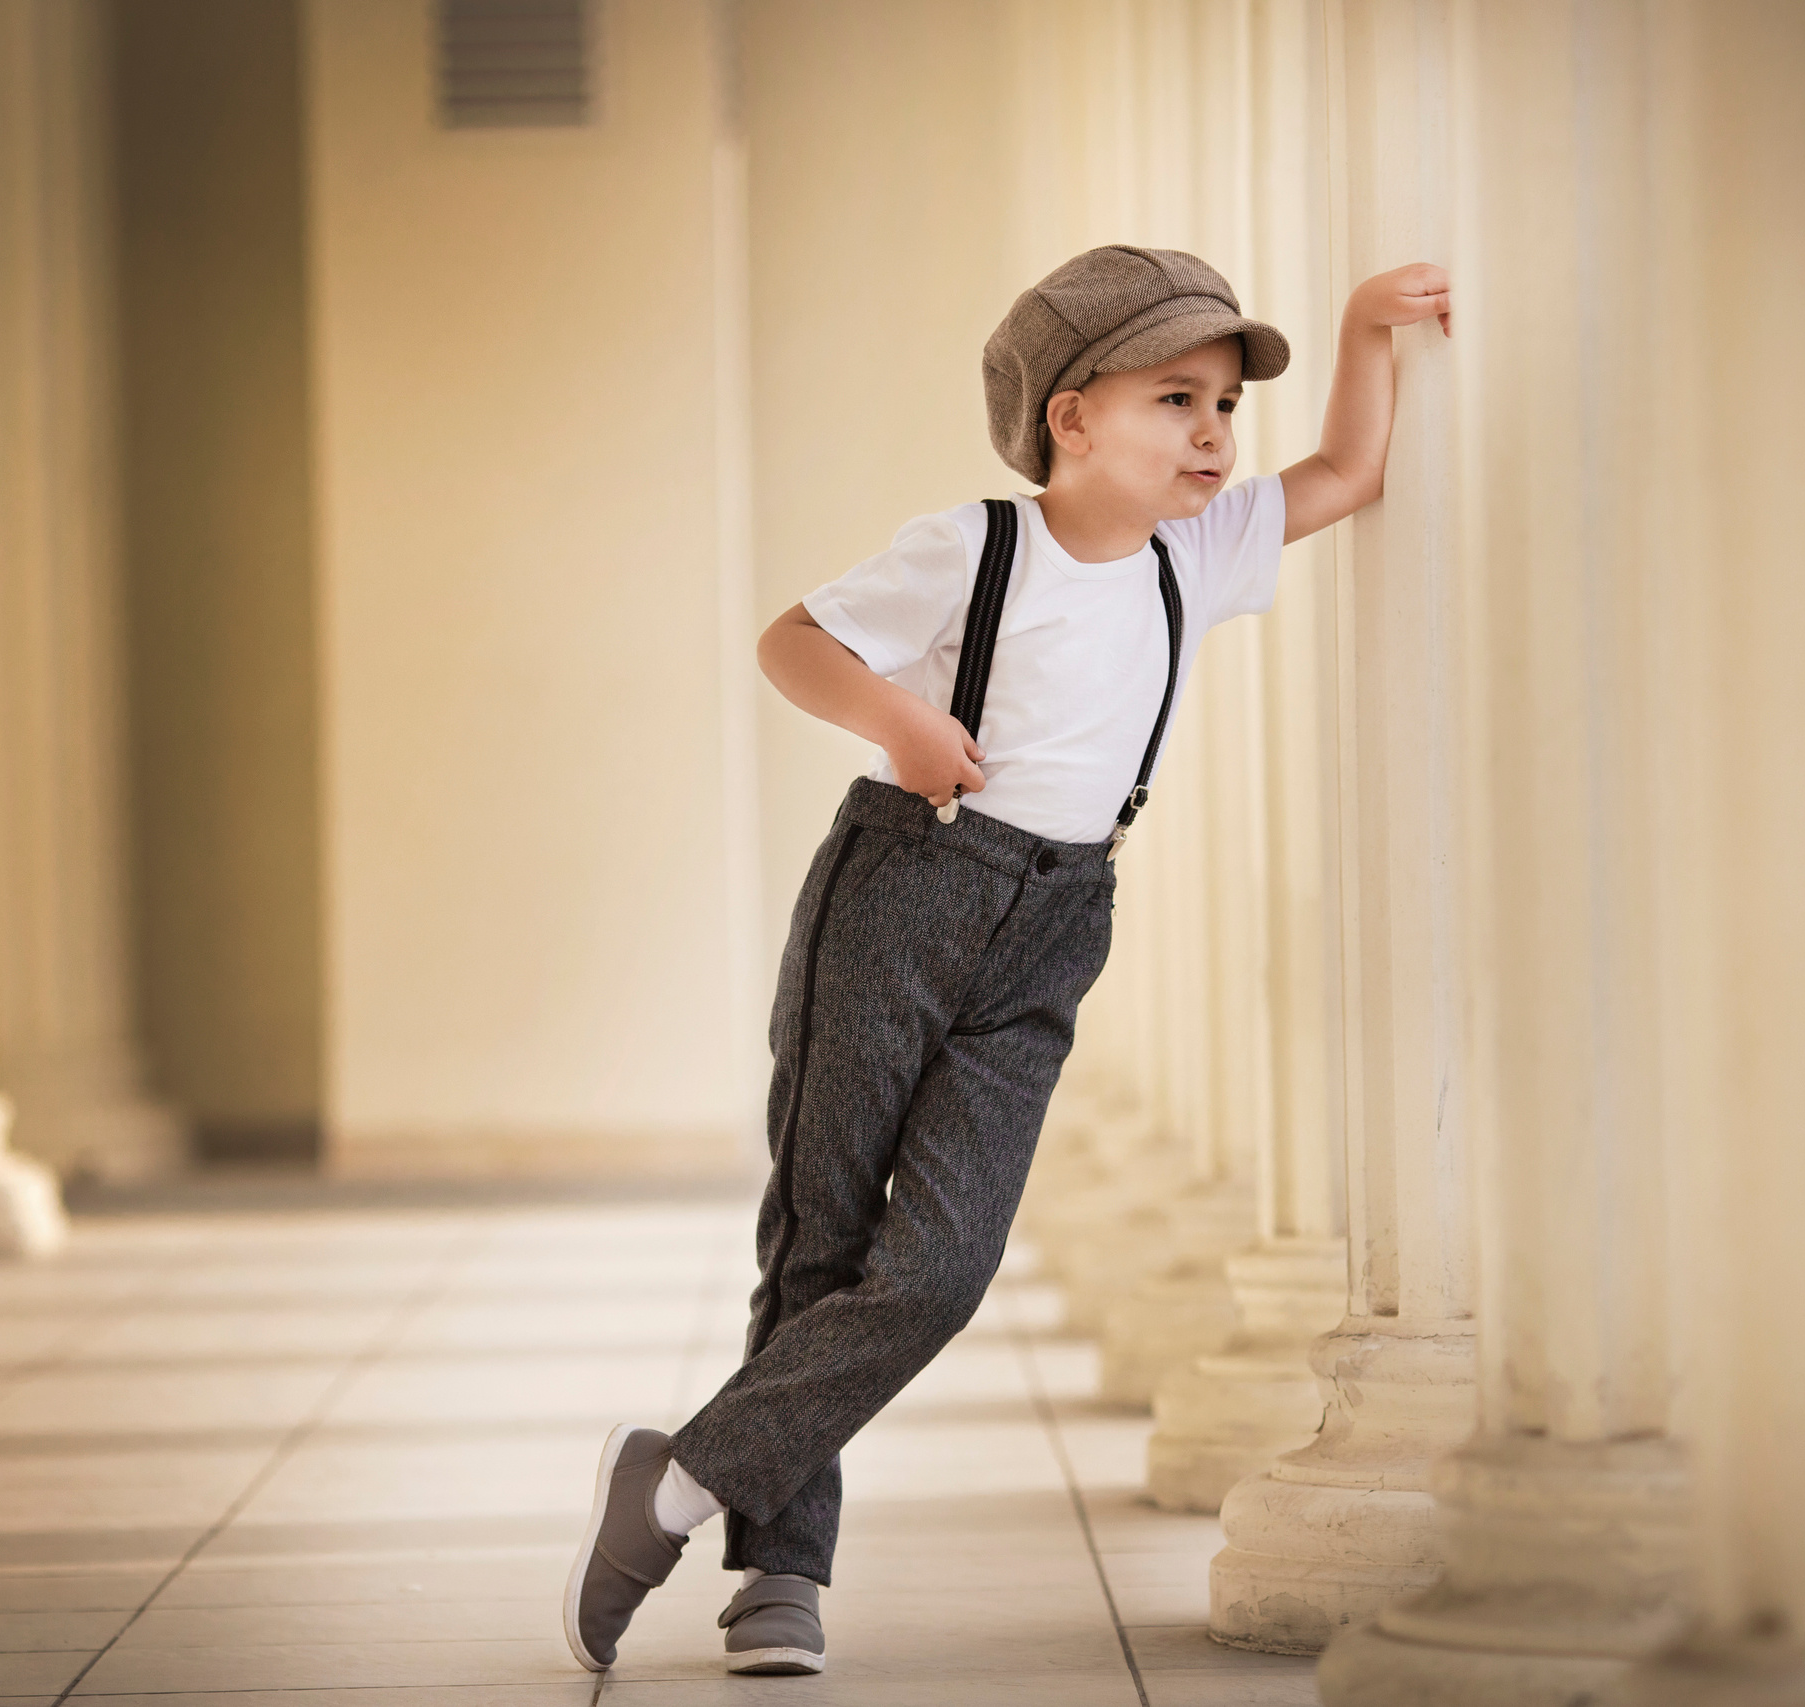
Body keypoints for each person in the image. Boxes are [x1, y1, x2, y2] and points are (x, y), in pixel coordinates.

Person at [563, 243, 1449, 1679]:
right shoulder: (974, 548)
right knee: (824, 1231)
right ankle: (779, 1574)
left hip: (1055, 924)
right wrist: (901, 727)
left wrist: (1363, 326)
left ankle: (673, 1482)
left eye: (1226, 402)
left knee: (941, 1266)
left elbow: (1349, 469)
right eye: (1178, 398)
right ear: (1071, 416)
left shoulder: (1198, 555)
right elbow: (795, 643)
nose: (1216, 433)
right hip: (904, 889)